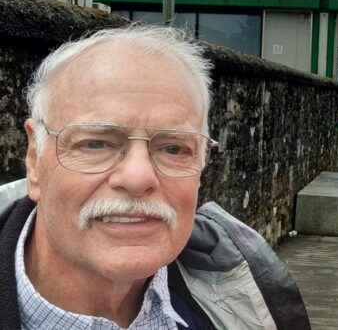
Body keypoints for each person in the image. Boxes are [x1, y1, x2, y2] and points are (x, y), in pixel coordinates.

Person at [0, 26, 310, 329]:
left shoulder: (251, 300)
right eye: (96, 143)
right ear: (34, 159)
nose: (138, 177)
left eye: (174, 148)